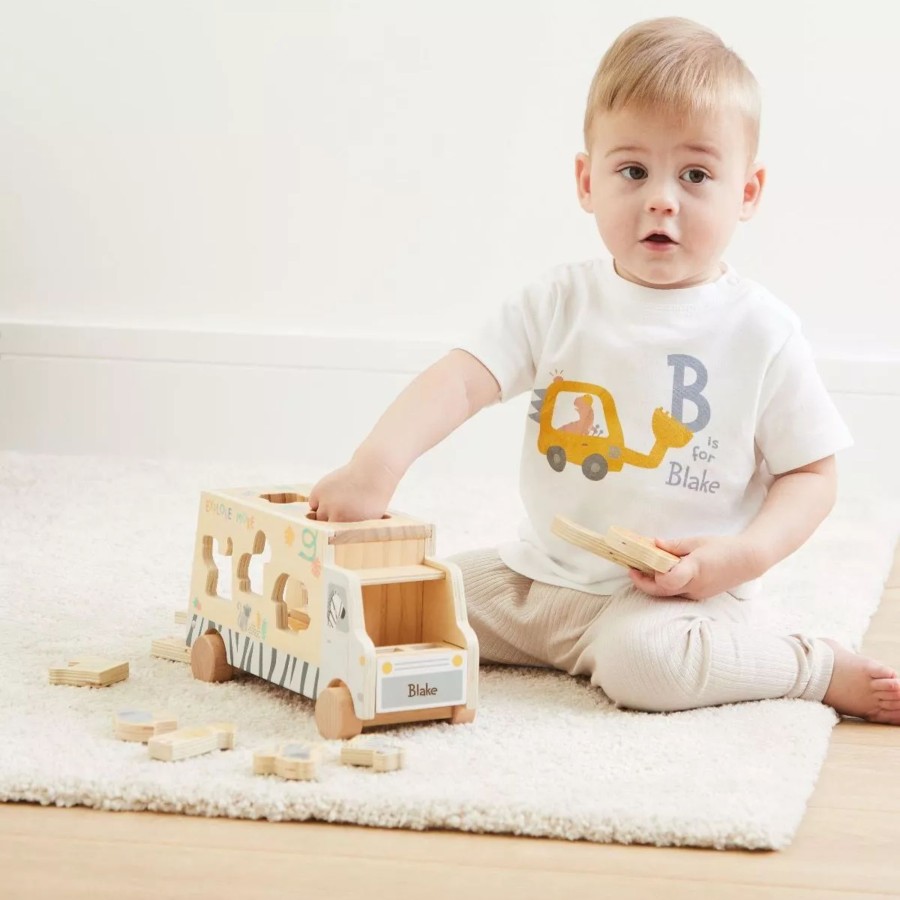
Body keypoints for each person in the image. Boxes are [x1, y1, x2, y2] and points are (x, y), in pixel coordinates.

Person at [309, 17, 900, 724]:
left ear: (747, 192)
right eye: (633, 170)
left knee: (645, 668)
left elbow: (813, 474)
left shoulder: (760, 331)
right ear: (587, 181)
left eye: (696, 174)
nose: (661, 198)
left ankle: (810, 665)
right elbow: (463, 379)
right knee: (388, 600)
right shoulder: (561, 301)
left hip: (670, 602)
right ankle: (551, 643)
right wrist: (376, 465)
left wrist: (739, 559)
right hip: (537, 578)